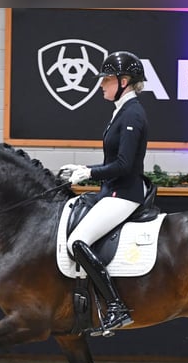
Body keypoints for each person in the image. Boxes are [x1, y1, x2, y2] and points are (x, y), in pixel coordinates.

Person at [61, 50, 149, 336]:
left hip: (124, 194)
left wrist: (89, 172)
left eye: (107, 79)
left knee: (77, 242)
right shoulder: (121, 111)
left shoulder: (133, 113)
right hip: (111, 191)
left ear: (125, 81)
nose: (101, 84)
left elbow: (124, 165)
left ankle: (116, 307)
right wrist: (85, 169)